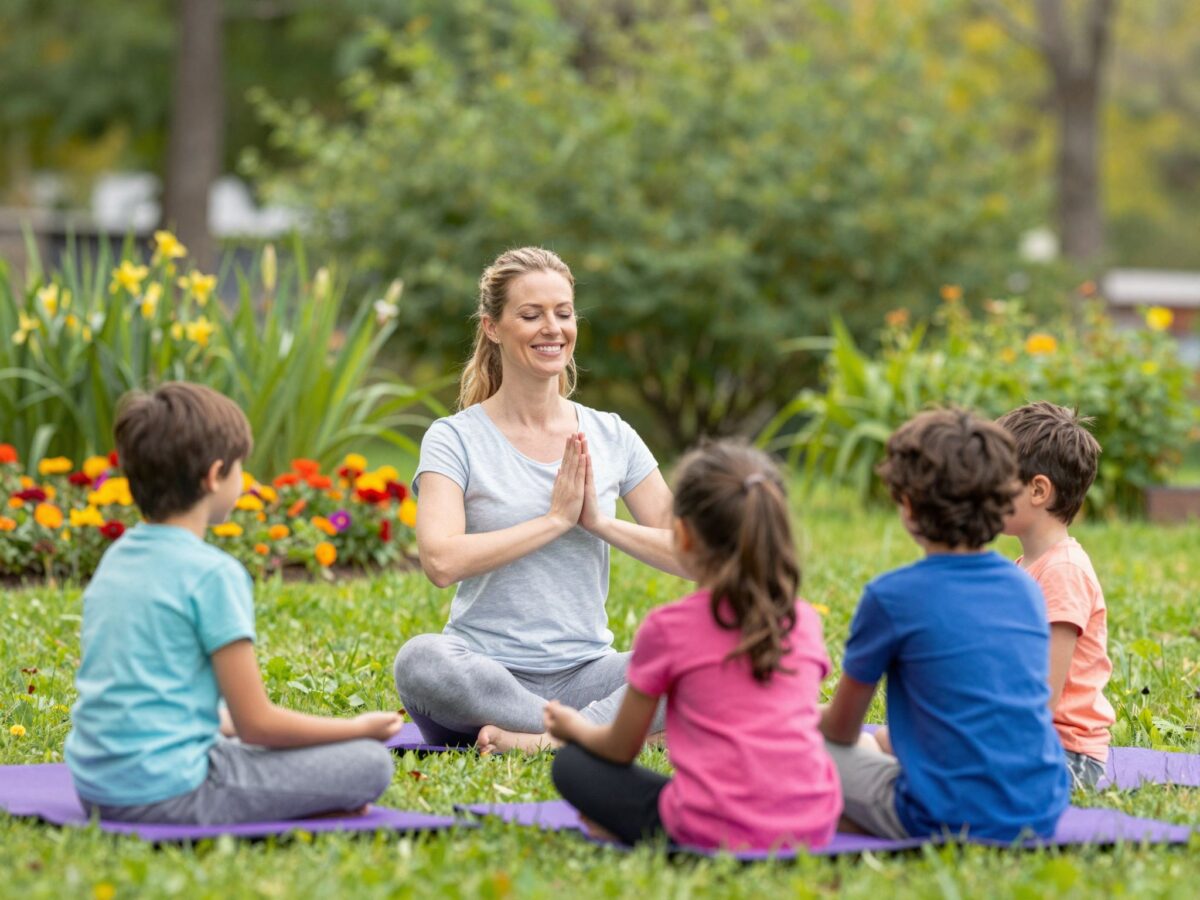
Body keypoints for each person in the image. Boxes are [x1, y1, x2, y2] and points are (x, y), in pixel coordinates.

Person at [65, 383, 401, 825]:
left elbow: (161, 701)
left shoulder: (117, 558)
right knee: (369, 763)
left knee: (253, 748)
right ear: (214, 475)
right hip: (172, 792)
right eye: (241, 467)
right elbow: (256, 725)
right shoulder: (214, 575)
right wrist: (356, 729)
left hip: (96, 787)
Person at [394, 247, 685, 754]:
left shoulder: (612, 434)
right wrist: (553, 521)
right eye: (531, 315)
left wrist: (600, 523)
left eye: (563, 313)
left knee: (703, 652)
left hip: (589, 674)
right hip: (486, 676)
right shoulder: (454, 438)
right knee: (420, 661)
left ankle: (549, 740)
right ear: (492, 327)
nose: (552, 328)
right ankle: (607, 735)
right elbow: (440, 562)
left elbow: (695, 554)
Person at [544, 441, 841, 851]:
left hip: (710, 828)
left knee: (573, 765)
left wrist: (574, 728)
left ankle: (627, 824)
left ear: (681, 536)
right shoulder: (802, 620)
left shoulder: (669, 628)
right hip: (813, 824)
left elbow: (619, 749)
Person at [820, 408, 1071, 841]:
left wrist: (791, 714)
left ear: (909, 506)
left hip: (942, 814)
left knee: (801, 752)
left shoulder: (890, 597)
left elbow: (840, 730)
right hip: (1040, 807)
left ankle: (842, 815)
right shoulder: (1027, 589)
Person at [998, 401, 1114, 790]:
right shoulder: (1026, 567)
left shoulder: (1063, 572)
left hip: (1065, 756)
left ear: (1038, 490)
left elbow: (1043, 696)